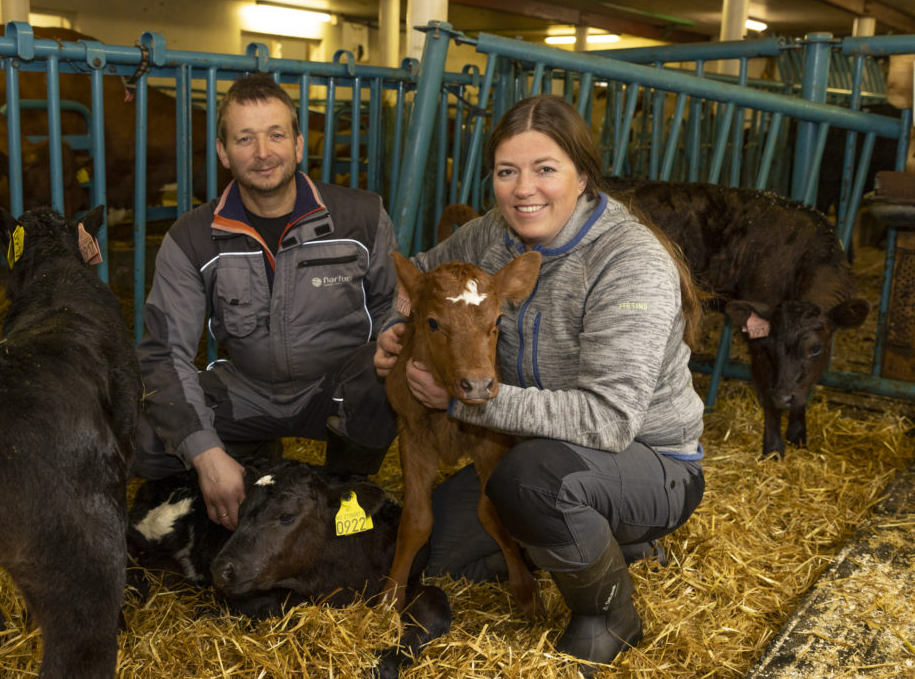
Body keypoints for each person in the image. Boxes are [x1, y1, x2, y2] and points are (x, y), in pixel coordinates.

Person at [374, 94, 706, 674]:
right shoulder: (494, 236)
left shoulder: (629, 263)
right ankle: (601, 545)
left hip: (647, 461)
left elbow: (608, 420)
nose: (524, 189)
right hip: (538, 444)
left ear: (583, 175)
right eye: (508, 172)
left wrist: (466, 402)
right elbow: (418, 280)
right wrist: (394, 331)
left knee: (532, 483)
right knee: (444, 550)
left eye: (545, 169)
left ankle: (610, 613)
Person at [134, 73, 398, 530]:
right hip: (247, 390)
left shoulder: (362, 216)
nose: (262, 153)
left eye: (276, 135)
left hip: (334, 388)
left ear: (298, 145)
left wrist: (397, 337)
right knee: (143, 438)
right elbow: (165, 351)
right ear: (223, 153)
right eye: (245, 138)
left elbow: (392, 306)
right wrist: (206, 455)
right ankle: (243, 457)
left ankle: (347, 482)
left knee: (383, 374)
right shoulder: (191, 238)